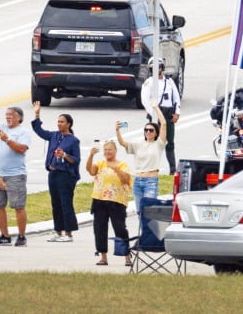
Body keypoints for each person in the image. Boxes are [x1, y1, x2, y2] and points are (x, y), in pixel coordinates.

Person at [31, 103, 80, 242]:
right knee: (55, 203)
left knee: (66, 203)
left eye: (62, 122)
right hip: (53, 173)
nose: (59, 124)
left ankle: (69, 233)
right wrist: (37, 114)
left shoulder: (73, 141)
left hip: (65, 175)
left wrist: (65, 155)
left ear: (69, 124)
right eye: (58, 122)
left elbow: (76, 160)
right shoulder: (54, 135)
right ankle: (58, 232)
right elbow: (39, 130)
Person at [116, 106, 167, 239]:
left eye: (151, 130)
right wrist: (117, 130)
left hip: (151, 181)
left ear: (155, 133)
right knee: (140, 211)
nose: (148, 132)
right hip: (138, 181)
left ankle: (154, 235)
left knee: (149, 209)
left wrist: (156, 107)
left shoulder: (159, 144)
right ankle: (146, 235)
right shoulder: (138, 144)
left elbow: (164, 123)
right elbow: (123, 143)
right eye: (146, 130)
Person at [0, 105, 31, 247]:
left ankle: (22, 236)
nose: (7, 117)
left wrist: (7, 140)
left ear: (19, 117)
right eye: (6, 115)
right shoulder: (2, 128)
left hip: (15, 175)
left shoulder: (23, 132)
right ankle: (4, 236)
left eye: (11, 115)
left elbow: (21, 149)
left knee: (18, 206)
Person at [87, 139, 132, 267]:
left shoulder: (122, 164)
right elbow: (90, 171)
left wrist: (116, 169)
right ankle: (103, 257)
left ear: (115, 151)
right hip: (100, 199)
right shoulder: (100, 163)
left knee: (120, 229)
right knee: (100, 229)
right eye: (105, 150)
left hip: (116, 201)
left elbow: (126, 179)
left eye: (110, 149)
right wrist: (91, 155)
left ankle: (126, 256)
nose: (107, 152)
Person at [141, 58, 181, 173]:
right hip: (156, 113)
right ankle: (150, 168)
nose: (156, 69)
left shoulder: (169, 81)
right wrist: (154, 114)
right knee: (152, 143)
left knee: (170, 142)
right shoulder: (149, 82)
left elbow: (176, 97)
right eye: (153, 68)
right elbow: (145, 100)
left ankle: (173, 170)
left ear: (162, 68)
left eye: (158, 67)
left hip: (168, 114)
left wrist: (177, 112)